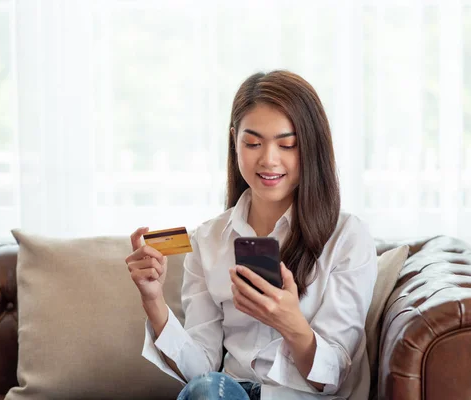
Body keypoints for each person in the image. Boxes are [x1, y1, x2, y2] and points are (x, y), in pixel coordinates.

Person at [125, 70, 378, 400]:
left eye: (287, 144)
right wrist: (153, 300)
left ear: (311, 147)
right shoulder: (208, 240)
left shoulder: (347, 237)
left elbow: (333, 379)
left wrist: (291, 324)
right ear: (234, 140)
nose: (269, 160)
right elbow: (199, 372)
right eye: (253, 143)